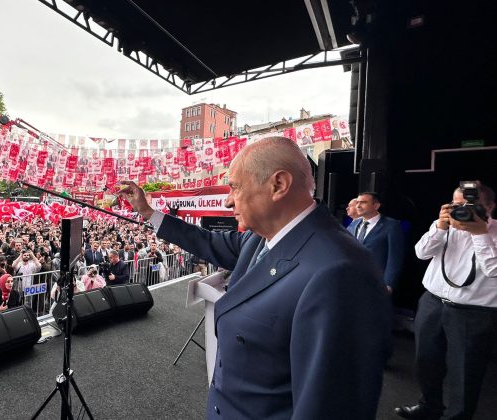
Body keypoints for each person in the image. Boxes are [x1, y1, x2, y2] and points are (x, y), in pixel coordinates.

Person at [118, 136, 391, 419]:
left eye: (235, 187)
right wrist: (149, 213)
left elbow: (330, 408)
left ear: (278, 185)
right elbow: (207, 241)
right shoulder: (261, 238)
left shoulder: (340, 273)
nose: (227, 201)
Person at [395, 183, 497, 420]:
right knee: (426, 361)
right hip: (432, 302)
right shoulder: (445, 225)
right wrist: (440, 227)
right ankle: (429, 406)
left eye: (471, 205)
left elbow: (493, 270)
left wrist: (479, 233)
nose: (462, 210)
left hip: (474, 312)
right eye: (457, 205)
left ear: (490, 206)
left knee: (465, 371)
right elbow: (421, 253)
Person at [347, 192, 406, 293]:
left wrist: (388, 284)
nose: (358, 206)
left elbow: (395, 257)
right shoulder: (354, 224)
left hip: (376, 282)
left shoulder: (391, 225)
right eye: (357, 203)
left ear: (376, 205)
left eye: (363, 202)